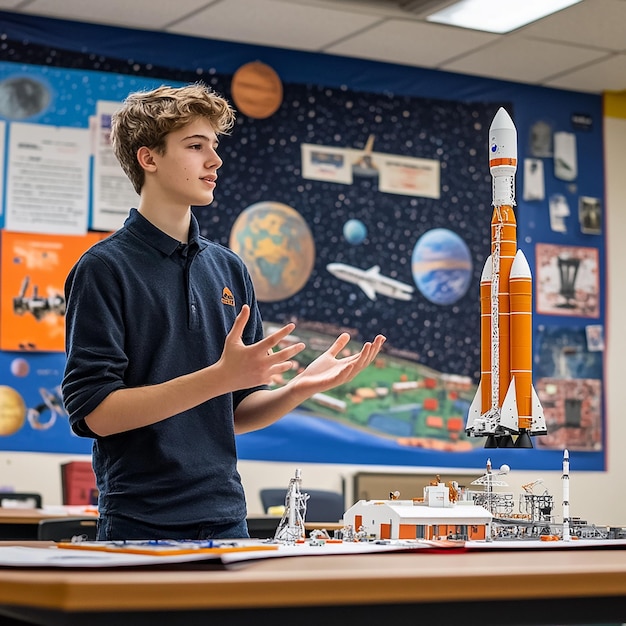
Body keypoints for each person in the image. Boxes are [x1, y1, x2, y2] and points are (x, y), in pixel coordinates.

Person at [62, 83, 386, 541]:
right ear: (148, 158)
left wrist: (298, 389)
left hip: (227, 516)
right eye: (195, 146)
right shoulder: (103, 269)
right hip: (138, 523)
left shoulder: (229, 268)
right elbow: (95, 413)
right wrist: (217, 377)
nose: (214, 161)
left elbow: (232, 410)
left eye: (214, 147)